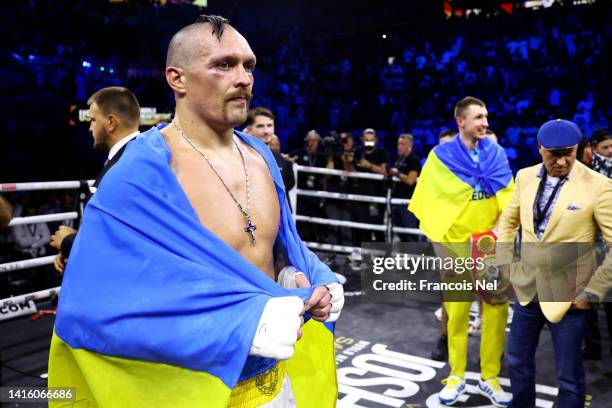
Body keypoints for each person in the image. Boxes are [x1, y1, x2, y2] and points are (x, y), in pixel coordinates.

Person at [49, 15, 343, 408]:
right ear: (177, 79)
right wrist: (234, 326)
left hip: (275, 379)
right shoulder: (141, 170)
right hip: (189, 389)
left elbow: (278, 247)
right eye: (223, 65)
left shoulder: (261, 157)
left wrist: (303, 278)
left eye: (248, 66)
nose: (243, 79)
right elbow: (95, 305)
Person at [498, 119, 612, 408]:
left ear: (579, 149)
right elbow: (508, 222)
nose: (561, 161)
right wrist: (504, 263)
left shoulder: (599, 186)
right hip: (527, 286)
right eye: (553, 154)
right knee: (516, 359)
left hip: (571, 293)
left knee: (569, 375)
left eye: (569, 153)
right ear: (539, 149)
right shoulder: (524, 177)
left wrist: (593, 292)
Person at [409, 96, 514, 407]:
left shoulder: (495, 152)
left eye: (486, 116)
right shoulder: (440, 157)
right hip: (454, 245)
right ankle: (456, 376)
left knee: (496, 312)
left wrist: (503, 238)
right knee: (456, 315)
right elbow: (428, 205)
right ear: (461, 121)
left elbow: (508, 197)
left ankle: (490, 378)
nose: (485, 122)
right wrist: (438, 247)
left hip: (490, 245)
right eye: (478, 117)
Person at [49, 86, 141, 273]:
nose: (90, 127)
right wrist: (75, 247)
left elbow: (124, 240)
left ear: (110, 123)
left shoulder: (128, 164)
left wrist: (68, 242)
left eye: (93, 120)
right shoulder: (133, 155)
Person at [244, 107, 295, 200]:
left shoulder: (282, 160)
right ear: (249, 130)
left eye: (269, 125)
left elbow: (288, 186)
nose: (266, 131)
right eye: (260, 126)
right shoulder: (239, 156)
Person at [354, 128, 389, 243]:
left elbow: (384, 171)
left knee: (377, 227)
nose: (369, 142)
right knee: (363, 228)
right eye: (367, 140)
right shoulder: (358, 152)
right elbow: (353, 172)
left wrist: (369, 166)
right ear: (362, 140)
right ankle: (367, 258)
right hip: (361, 195)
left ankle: (383, 258)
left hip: (376, 196)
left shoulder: (381, 152)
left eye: (371, 140)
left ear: (376, 140)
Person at [390, 133, 421, 242]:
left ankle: (415, 258)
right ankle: (406, 257)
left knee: (410, 233)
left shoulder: (414, 160)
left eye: (402, 144)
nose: (399, 146)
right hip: (396, 201)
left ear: (409, 146)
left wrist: (397, 173)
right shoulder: (398, 160)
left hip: (408, 203)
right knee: (400, 232)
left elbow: (410, 180)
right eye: (398, 144)